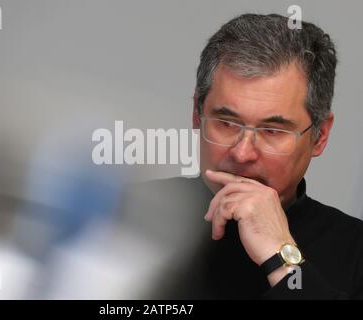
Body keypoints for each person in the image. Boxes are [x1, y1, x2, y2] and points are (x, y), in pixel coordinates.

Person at [120, 13, 363, 299]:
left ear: (319, 135)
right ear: (197, 115)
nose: (242, 152)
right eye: (226, 123)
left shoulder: (356, 251)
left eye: (272, 131)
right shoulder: (123, 215)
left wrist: (281, 258)